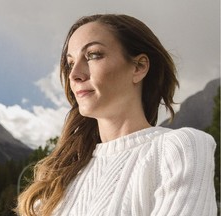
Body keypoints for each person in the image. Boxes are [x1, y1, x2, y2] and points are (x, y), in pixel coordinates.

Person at [16, 14, 217, 216]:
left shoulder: (180, 148)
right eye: (70, 63)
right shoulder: (58, 179)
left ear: (139, 67)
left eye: (93, 55)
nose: (74, 74)